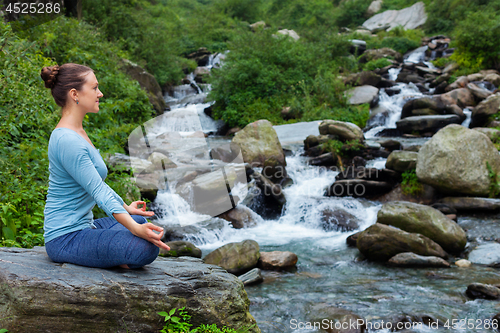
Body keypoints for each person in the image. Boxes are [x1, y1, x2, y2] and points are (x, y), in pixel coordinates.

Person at [41, 63, 170, 269]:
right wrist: (134, 230)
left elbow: (93, 183)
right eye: (94, 88)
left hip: (85, 227)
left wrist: (126, 209)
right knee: (146, 248)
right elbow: (98, 190)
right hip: (65, 238)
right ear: (75, 94)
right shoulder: (67, 140)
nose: (99, 93)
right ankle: (115, 258)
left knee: (138, 222)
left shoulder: (78, 132)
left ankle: (112, 254)